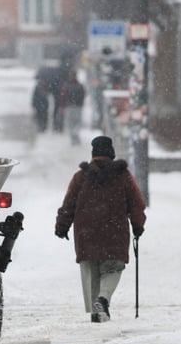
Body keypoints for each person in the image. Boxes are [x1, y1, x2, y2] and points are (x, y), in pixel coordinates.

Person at [54, 136, 146, 322]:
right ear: (111, 153)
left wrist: (62, 226)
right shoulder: (123, 176)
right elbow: (137, 204)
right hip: (115, 231)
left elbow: (68, 205)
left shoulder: (81, 177)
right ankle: (103, 299)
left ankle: (97, 311)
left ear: (93, 154)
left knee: (90, 271)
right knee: (112, 268)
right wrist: (138, 225)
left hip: (86, 233)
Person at [57, 70, 86, 145]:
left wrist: (62, 106)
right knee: (76, 123)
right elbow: (83, 95)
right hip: (76, 107)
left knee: (70, 123)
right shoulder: (80, 86)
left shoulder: (66, 86)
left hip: (70, 107)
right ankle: (75, 136)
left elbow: (62, 97)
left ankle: (74, 137)